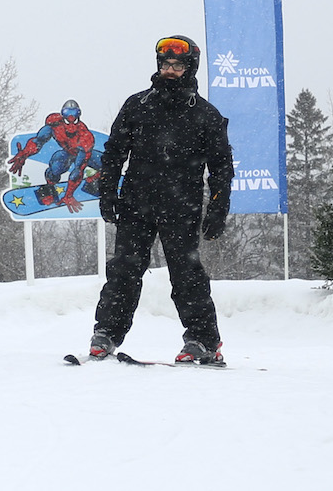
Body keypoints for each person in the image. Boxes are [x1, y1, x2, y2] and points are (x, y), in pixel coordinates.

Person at [90, 35, 234, 365]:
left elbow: (222, 168)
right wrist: (108, 192)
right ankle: (106, 334)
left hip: (181, 209)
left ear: (190, 68)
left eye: (177, 65)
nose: (170, 71)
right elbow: (113, 153)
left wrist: (218, 209)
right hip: (136, 205)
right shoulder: (137, 105)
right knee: (124, 271)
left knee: (187, 275)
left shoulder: (206, 116)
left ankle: (204, 340)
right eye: (166, 64)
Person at [7, 100, 103, 213]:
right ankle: (50, 186)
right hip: (67, 153)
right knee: (56, 166)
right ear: (63, 115)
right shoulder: (54, 125)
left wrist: (69, 194)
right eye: (68, 113)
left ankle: (97, 181)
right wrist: (24, 154)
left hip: (83, 153)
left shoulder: (85, 137)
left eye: (74, 114)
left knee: (108, 163)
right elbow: (38, 141)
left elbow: (79, 168)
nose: (71, 118)